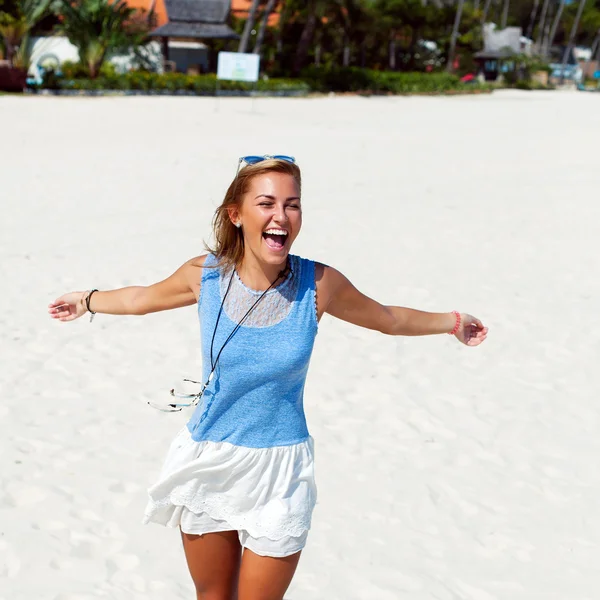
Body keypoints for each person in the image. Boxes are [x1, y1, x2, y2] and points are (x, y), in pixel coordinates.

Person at [48, 155, 488, 600]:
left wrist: (451, 321)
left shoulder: (318, 284)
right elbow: (141, 298)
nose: (281, 216)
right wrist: (87, 300)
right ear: (236, 215)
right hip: (211, 456)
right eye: (267, 203)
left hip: (281, 469)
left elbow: (387, 318)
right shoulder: (206, 275)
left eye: (292, 204)